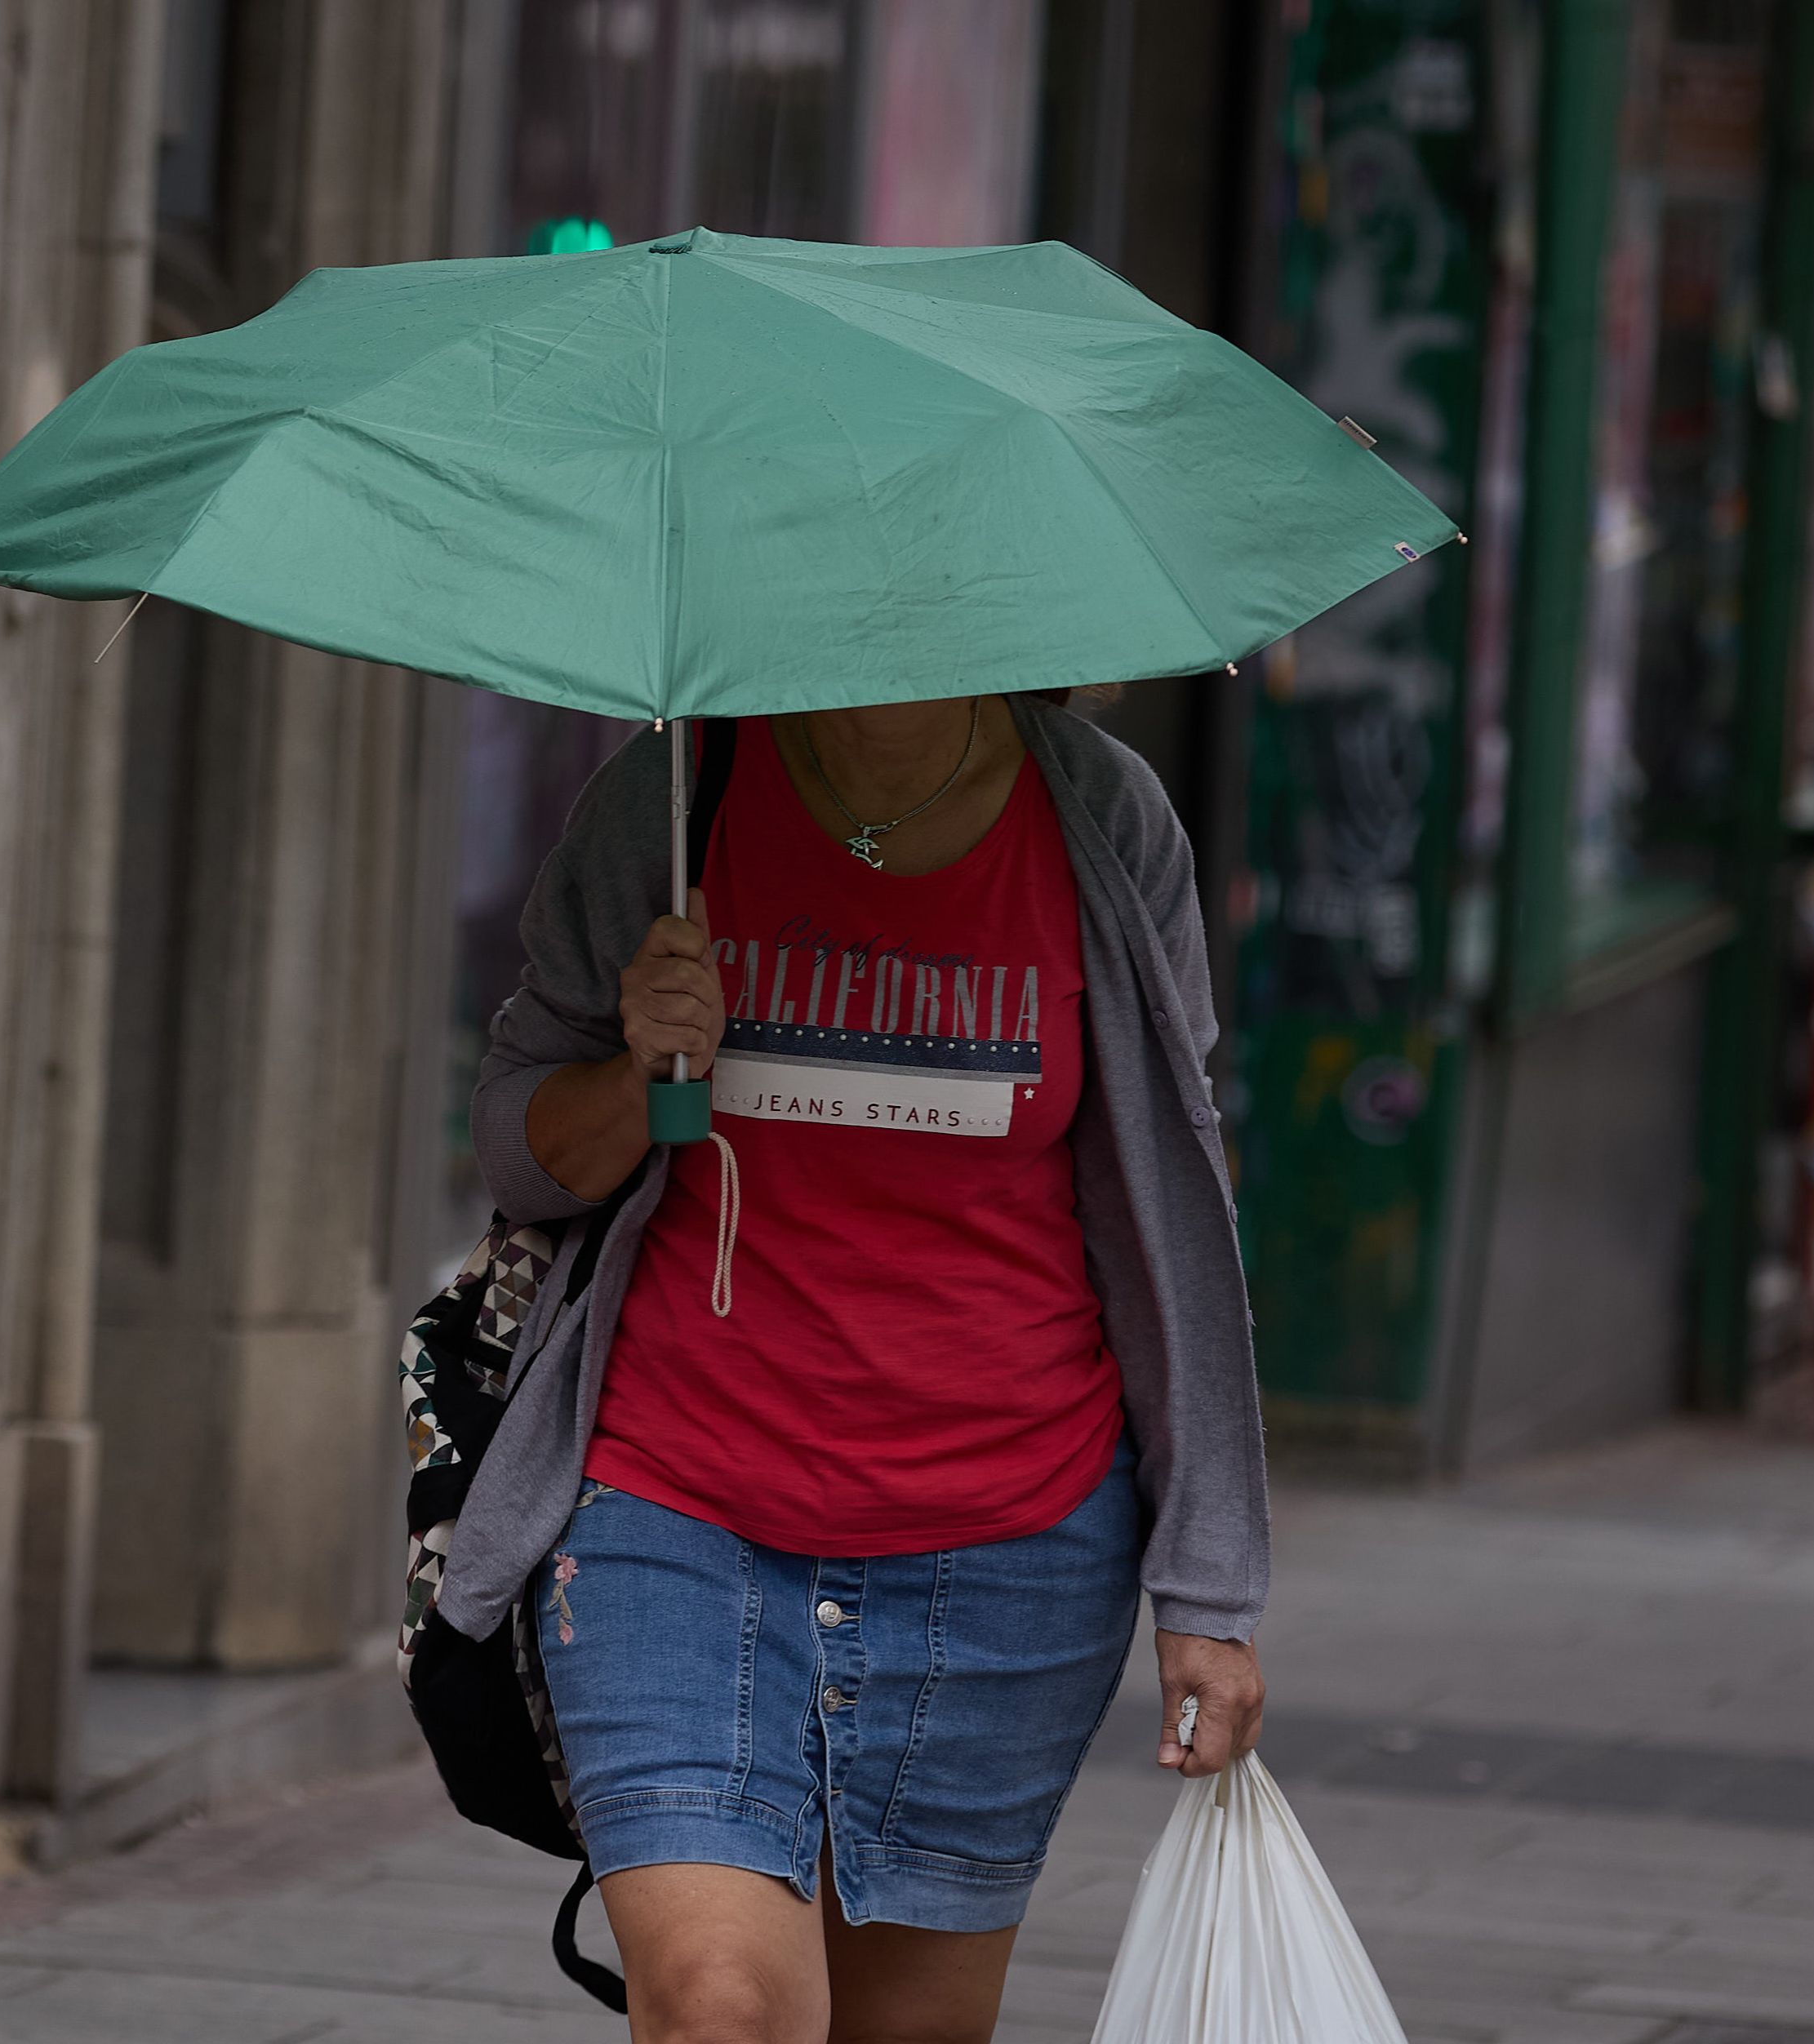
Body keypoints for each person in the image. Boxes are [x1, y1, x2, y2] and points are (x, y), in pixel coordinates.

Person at [446, 693, 1268, 2044]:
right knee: (720, 2006)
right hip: (677, 1502)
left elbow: (1167, 1209)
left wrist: (1211, 1585)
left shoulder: (1104, 820)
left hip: (1007, 1544)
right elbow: (523, 1152)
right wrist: (648, 1072)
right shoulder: (673, 800)